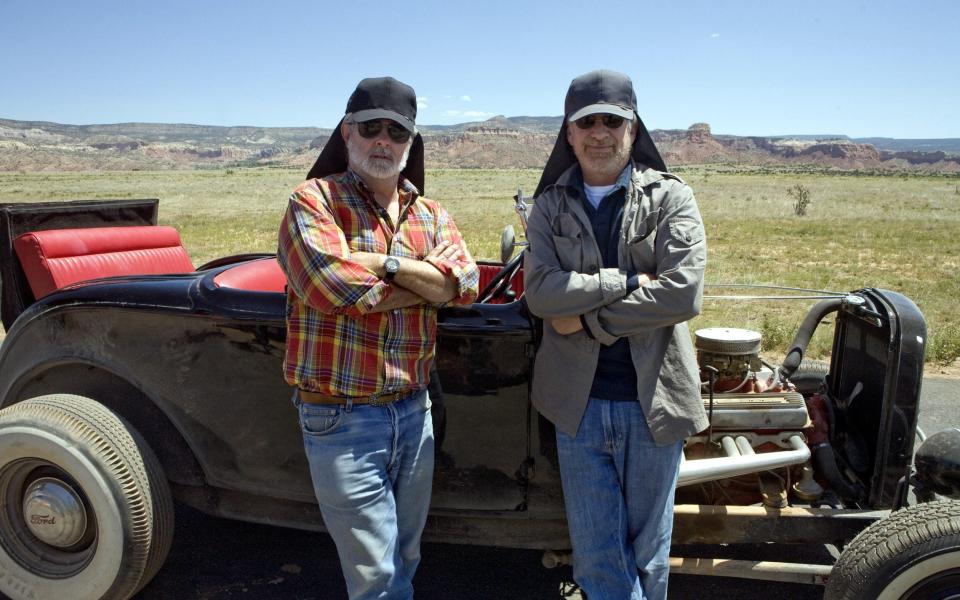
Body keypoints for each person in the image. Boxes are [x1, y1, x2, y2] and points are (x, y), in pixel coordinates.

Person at [277, 76, 479, 600]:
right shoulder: (313, 202)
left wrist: (384, 263)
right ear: (347, 133)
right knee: (376, 576)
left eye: (397, 131)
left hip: (415, 412)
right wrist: (427, 284)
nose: (383, 141)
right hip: (342, 418)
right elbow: (337, 288)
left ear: (411, 142)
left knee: (405, 556)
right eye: (371, 128)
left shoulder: (431, 213)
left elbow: (467, 283)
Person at [523, 69, 708, 600]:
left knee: (649, 553)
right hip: (577, 407)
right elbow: (541, 293)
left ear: (633, 129)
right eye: (587, 122)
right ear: (569, 132)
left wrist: (588, 320)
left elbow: (682, 293)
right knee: (599, 556)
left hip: (654, 403)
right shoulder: (550, 206)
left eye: (613, 121)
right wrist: (622, 281)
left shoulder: (672, 197)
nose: (599, 133)